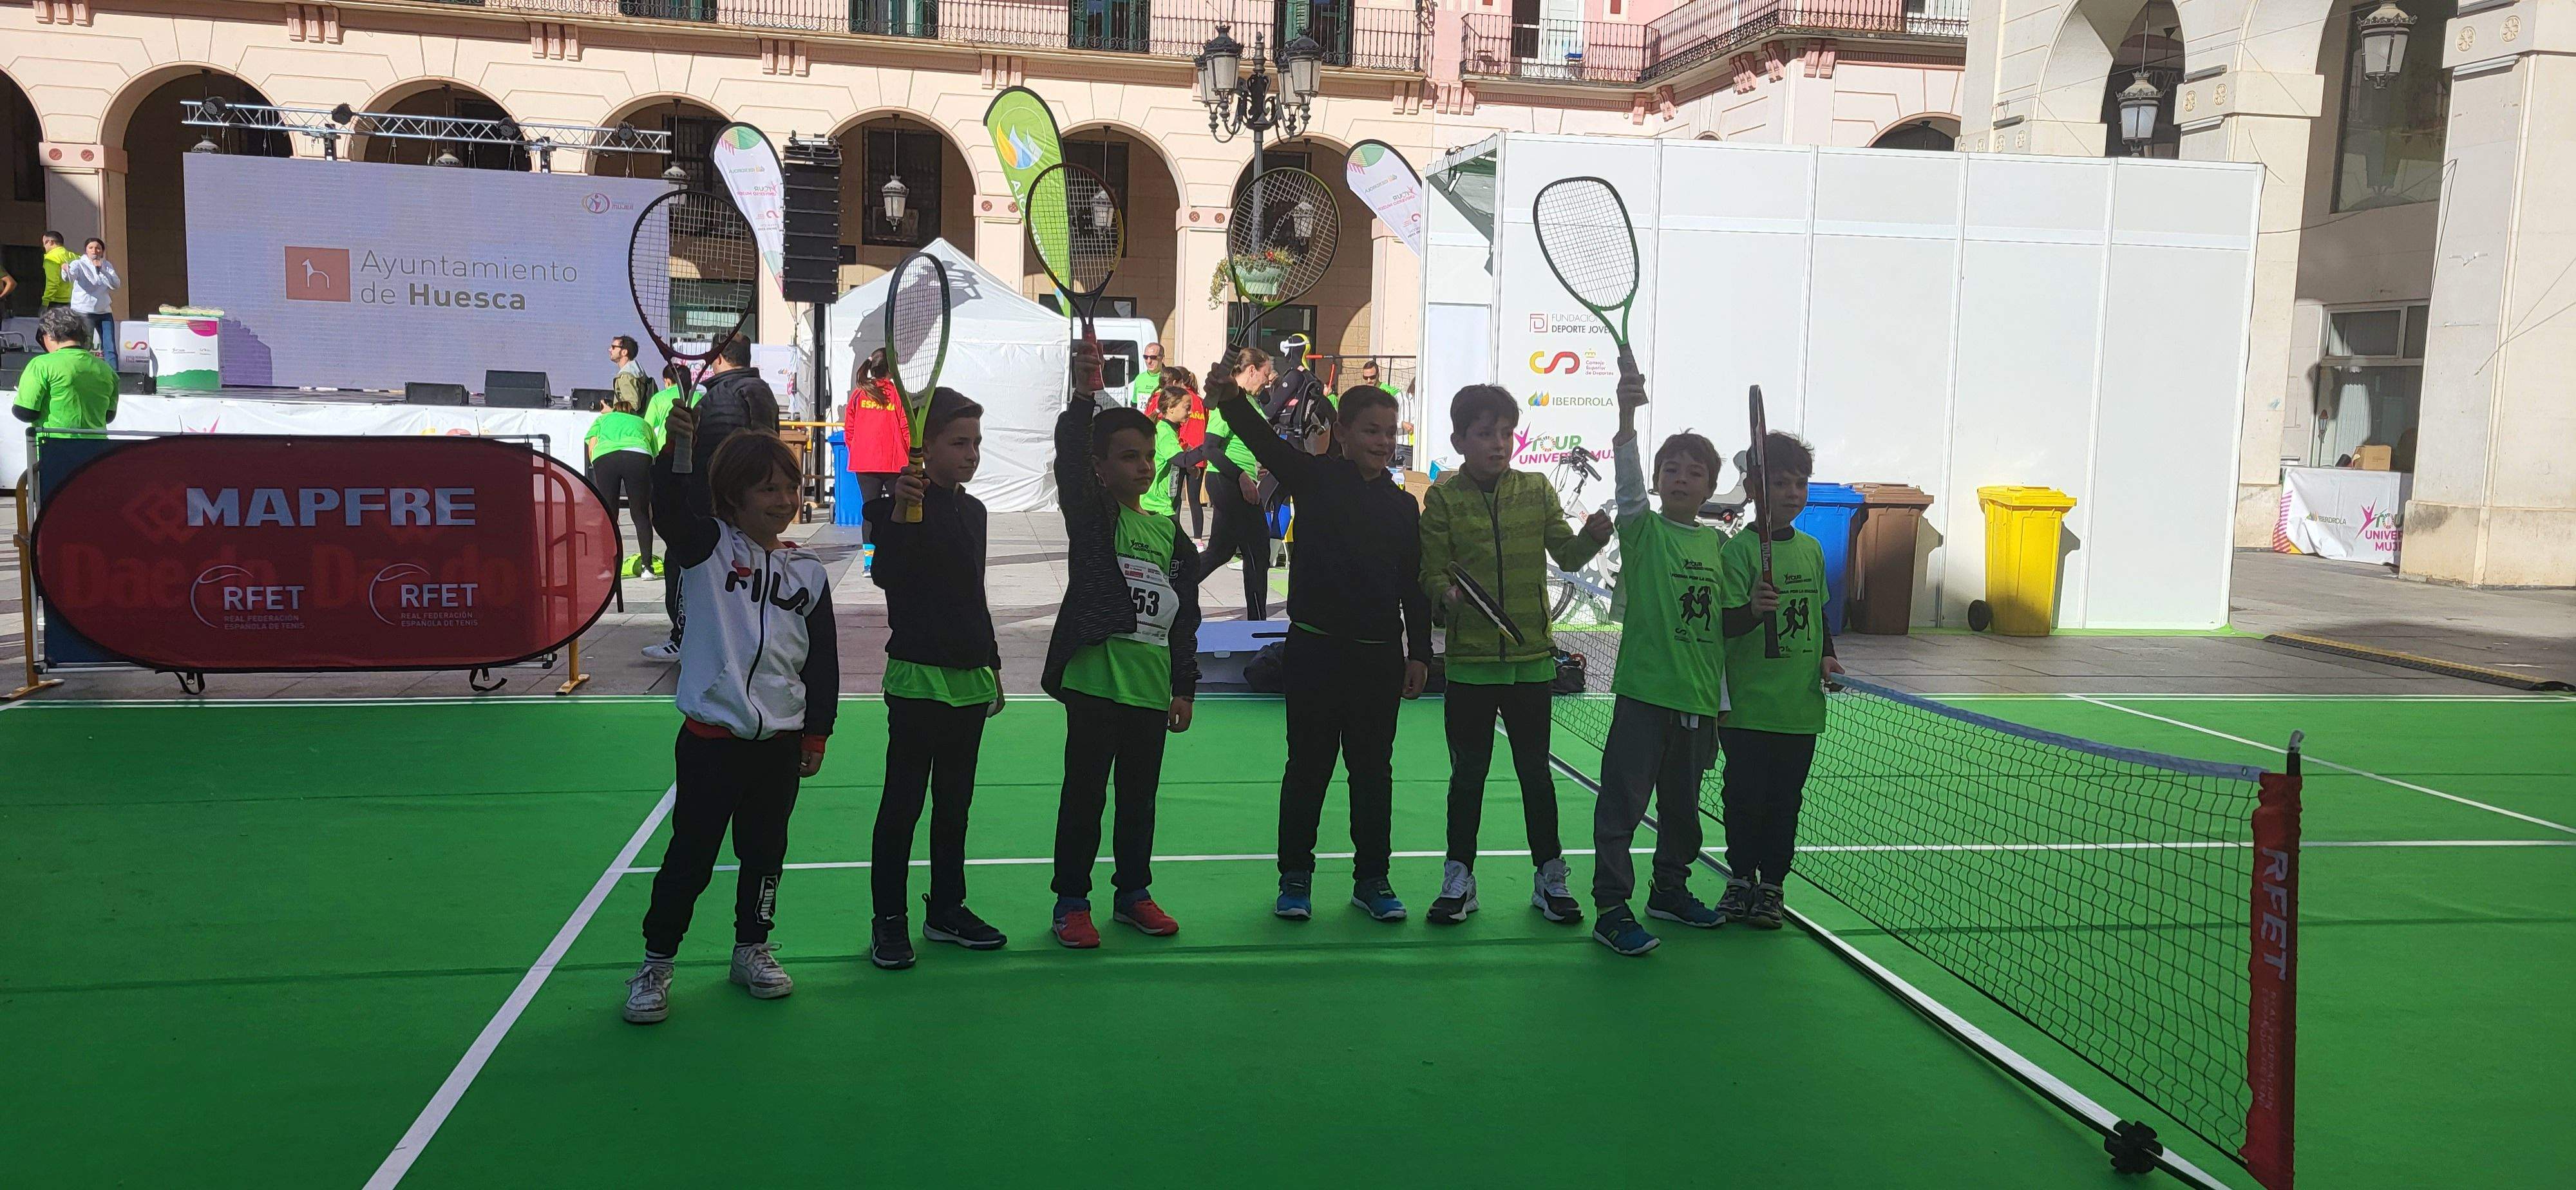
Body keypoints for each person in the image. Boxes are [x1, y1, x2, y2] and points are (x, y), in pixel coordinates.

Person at [622, 414, 839, 1025]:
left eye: (791, 487)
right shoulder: (706, 550)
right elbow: (669, 507)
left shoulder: (810, 573)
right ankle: (657, 961)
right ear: (732, 497)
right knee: (690, 857)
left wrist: (816, 731)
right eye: (767, 488)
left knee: (766, 852)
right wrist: (680, 450)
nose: (784, 500)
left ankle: (753, 949)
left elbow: (821, 663)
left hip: (780, 747)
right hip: (710, 744)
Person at [1206, 359, 1430, 923]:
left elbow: (1413, 586)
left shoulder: (1404, 508)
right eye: (1370, 431)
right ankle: (1295, 877)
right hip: (1313, 653)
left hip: (1379, 660)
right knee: (1307, 768)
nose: (1382, 441)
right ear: (1345, 434)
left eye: (1389, 431)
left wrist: (1420, 653)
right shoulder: (1314, 477)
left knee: (1373, 772)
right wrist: (1231, 399)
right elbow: (1261, 439)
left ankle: (1372, 879)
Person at [1417, 384, 1613, 926]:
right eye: (1485, 434)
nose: (1499, 444)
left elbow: (1569, 554)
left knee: (1536, 776)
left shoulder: (1537, 490)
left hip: (1531, 664)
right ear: (1460, 440)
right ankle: (1459, 877)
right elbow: (1430, 573)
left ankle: (1550, 877)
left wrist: (1593, 538)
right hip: (1470, 668)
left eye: (1506, 433)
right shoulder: (1443, 500)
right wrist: (1446, 596)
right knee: (1468, 778)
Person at [1043, 338, 1201, 949]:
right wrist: (1085, 395)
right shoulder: (1093, 517)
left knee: (1139, 801)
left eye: (1147, 456)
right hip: (1093, 683)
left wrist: (1183, 685)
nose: (1140, 466)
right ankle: (1071, 902)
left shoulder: (1165, 532)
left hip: (1149, 690)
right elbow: (1068, 458)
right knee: (1084, 797)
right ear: (1100, 468)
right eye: (1126, 457)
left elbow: (1182, 616)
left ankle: (1133, 892)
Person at [1589, 368, 1731, 956]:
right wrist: (1627, 418)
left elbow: (1730, 628)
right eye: (1670, 469)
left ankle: (1669, 888)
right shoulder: (1643, 531)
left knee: (1683, 810)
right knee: (1623, 804)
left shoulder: (1720, 546)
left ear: (1709, 488)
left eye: (1694, 472)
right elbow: (1625, 485)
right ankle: (1611, 908)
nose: (1680, 477)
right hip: (1645, 695)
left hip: (1700, 702)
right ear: (1657, 480)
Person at [864, 388, 1006, 968]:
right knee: (902, 804)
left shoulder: (973, 511)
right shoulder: (887, 508)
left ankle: (947, 908)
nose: (970, 453)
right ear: (924, 446)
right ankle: (889, 921)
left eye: (976, 442)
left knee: (955, 804)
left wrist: (992, 663)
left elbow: (974, 594)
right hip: (918, 677)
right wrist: (899, 512)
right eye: (958, 442)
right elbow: (888, 577)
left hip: (970, 678)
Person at [1716, 431, 1839, 930]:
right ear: (1753, 488)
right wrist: (1751, 612)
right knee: (1743, 799)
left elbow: (1819, 614)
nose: (1792, 493)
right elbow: (1721, 623)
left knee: (1786, 803)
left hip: (1800, 709)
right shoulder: (1738, 553)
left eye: (1800, 483)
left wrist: (1828, 657)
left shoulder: (1811, 551)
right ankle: (1740, 878)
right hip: (1747, 709)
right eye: (1781, 483)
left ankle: (1772, 887)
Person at [643, 335, 779, 663]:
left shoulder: (729, 394)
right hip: (730, 506)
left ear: (717, 358)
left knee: (685, 564)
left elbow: (751, 452)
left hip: (714, 505)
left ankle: (683, 637)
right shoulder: (757, 391)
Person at [1195, 348, 1274, 618]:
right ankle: (1257, 620)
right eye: (1266, 373)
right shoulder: (1227, 402)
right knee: (1257, 549)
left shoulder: (1250, 402)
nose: (1269, 379)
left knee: (1221, 551)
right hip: (1228, 480)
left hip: (1238, 480)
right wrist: (1241, 476)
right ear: (1251, 370)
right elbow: (1210, 449)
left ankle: (1175, 586)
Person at [842, 348, 911, 567]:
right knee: (896, 510)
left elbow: (849, 431)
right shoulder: (898, 394)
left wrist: (860, 450)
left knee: (869, 511)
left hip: (865, 463)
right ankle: (895, 557)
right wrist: (910, 455)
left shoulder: (859, 394)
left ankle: (869, 564)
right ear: (892, 370)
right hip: (894, 462)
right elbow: (906, 428)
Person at [584, 391, 658, 577]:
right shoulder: (642, 423)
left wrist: (598, 466)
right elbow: (654, 453)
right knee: (640, 513)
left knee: (609, 514)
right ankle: (647, 568)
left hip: (606, 456)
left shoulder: (603, 420)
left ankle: (608, 568)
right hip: (638, 455)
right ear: (631, 413)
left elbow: (592, 446)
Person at [11, 307, 118, 432]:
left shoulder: (41, 365)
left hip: (53, 445)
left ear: (49, 335)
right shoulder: (107, 370)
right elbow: (108, 416)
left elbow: (25, 412)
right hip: (99, 447)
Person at [1164, 363, 1209, 540]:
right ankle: (1197, 539)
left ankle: (1178, 536)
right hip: (1193, 456)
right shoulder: (1199, 400)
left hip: (1184, 453)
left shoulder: (1182, 400)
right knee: (1193, 500)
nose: (1189, 413)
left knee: (1175, 498)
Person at [64, 239, 120, 359]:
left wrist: (102, 270)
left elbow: (116, 284)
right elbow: (70, 277)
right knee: (85, 346)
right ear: (86, 251)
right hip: (84, 312)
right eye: (91, 248)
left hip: (104, 312)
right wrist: (66, 270)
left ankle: (114, 375)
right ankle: (81, 373)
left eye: (98, 248)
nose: (95, 251)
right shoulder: (79, 264)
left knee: (110, 347)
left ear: (102, 251)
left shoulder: (107, 265)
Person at [1142, 382, 1191, 518]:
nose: (1190, 412)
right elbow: (1181, 459)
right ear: (1171, 409)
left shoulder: (1169, 429)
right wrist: (1208, 449)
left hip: (1164, 502)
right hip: (1156, 504)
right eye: (1187, 408)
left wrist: (1189, 467)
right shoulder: (1165, 432)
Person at [1262, 334, 1325, 436]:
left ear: (1292, 351)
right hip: (1301, 435)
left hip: (1286, 434)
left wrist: (1260, 402)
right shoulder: (1309, 376)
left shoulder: (1294, 376)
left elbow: (1270, 411)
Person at [642, 363, 697, 454]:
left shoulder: (658, 398)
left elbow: (647, 427)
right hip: (692, 450)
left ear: (668, 381)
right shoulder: (697, 396)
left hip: (665, 449)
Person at [608, 335, 650, 410]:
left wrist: (610, 412)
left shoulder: (626, 376)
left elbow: (632, 407)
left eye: (613, 347)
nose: (610, 350)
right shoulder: (635, 371)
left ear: (624, 352)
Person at [37, 231, 75, 310]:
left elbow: (52, 282)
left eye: (44, 243)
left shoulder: (51, 258)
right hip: (74, 301)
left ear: (50, 242)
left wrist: (45, 302)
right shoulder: (74, 256)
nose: (44, 247)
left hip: (57, 302)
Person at [1128, 341, 1165, 411]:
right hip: (1142, 420)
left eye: (1153, 357)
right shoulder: (1139, 378)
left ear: (1162, 359)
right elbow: (1134, 405)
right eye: (1146, 357)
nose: (1149, 361)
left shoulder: (1168, 378)